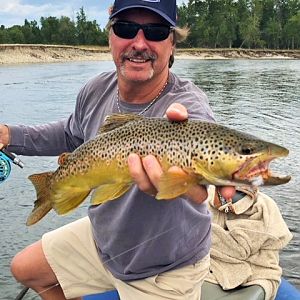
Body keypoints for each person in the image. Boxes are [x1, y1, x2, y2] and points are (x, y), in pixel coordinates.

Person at [1, 1, 235, 299]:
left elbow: (202, 185)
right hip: (105, 242)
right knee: (25, 268)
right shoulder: (96, 89)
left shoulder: (189, 108)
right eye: (126, 29)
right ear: (110, 36)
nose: (139, 43)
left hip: (164, 269)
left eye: (156, 31)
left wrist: (194, 186)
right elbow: (72, 133)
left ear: (172, 43)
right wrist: (9, 135)